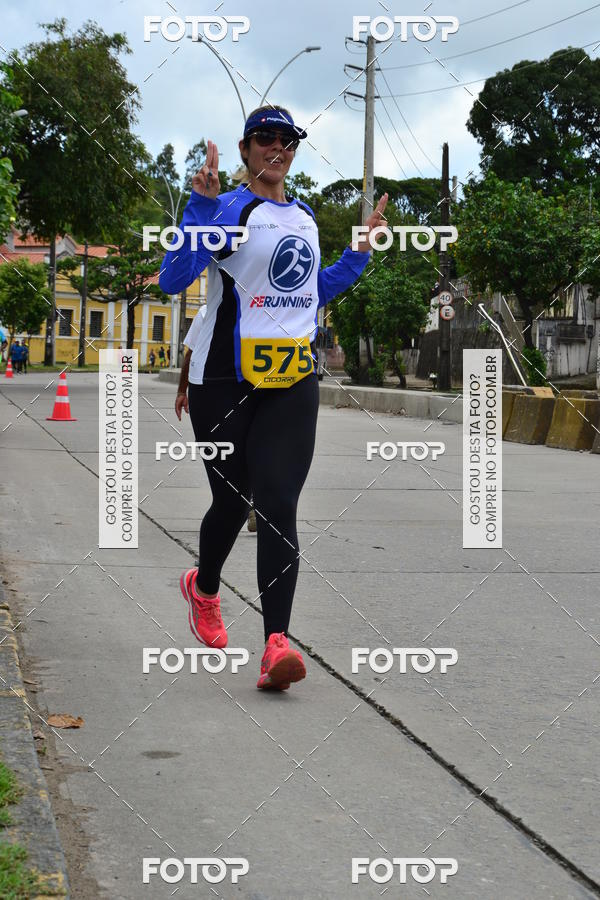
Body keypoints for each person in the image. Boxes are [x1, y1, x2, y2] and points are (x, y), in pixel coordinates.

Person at [159, 105, 387, 691]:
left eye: (286, 140)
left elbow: (310, 292)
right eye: (265, 139)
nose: (276, 148)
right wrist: (200, 207)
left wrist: (357, 253)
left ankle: (276, 645)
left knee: (279, 501)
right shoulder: (233, 208)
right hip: (222, 381)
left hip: (291, 379)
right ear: (246, 149)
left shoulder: (305, 217)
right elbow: (172, 277)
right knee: (233, 503)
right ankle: (204, 588)